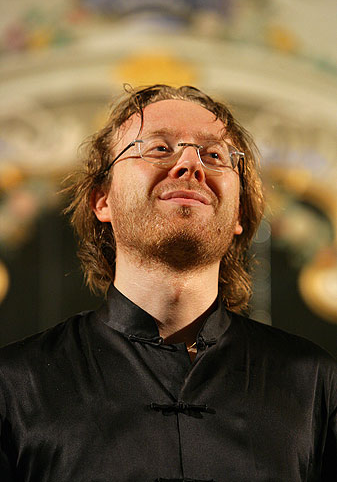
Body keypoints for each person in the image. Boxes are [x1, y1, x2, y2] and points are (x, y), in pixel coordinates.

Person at [0, 84, 336, 481]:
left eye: (214, 155)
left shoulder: (314, 383)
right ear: (102, 200)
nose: (191, 164)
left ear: (240, 215)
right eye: (159, 148)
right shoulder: (15, 385)